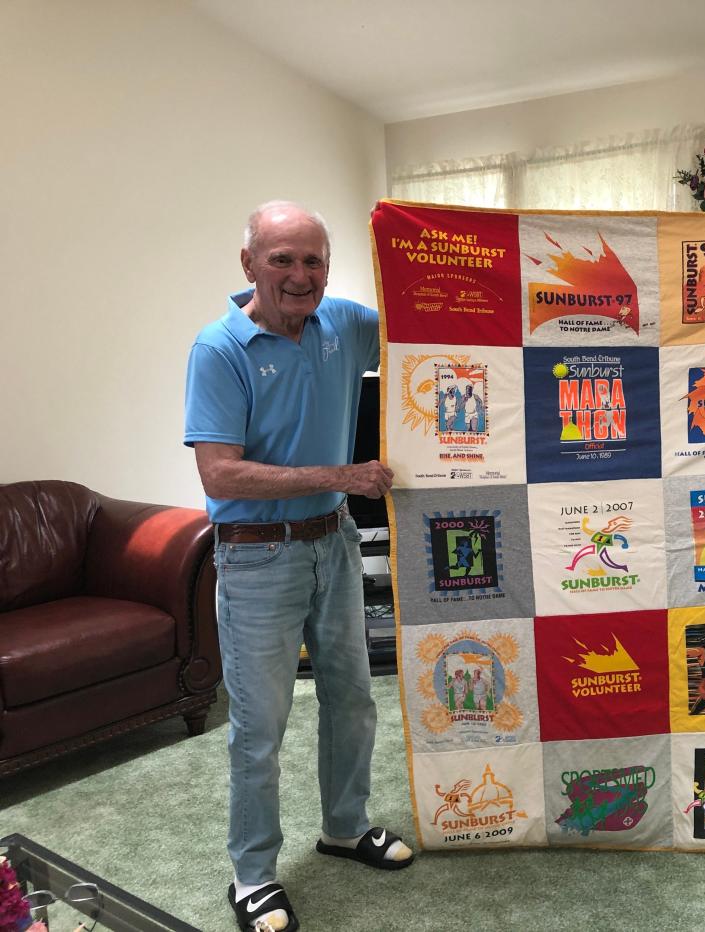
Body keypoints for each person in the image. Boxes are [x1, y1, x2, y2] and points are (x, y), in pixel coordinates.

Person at [184, 201, 413, 932]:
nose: (300, 274)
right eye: (282, 258)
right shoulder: (219, 349)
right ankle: (251, 875)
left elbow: (428, 324)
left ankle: (345, 828)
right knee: (259, 728)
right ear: (248, 263)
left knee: (352, 698)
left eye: (313, 260)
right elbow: (220, 475)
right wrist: (341, 475)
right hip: (257, 561)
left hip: (335, 543)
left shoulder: (343, 324)